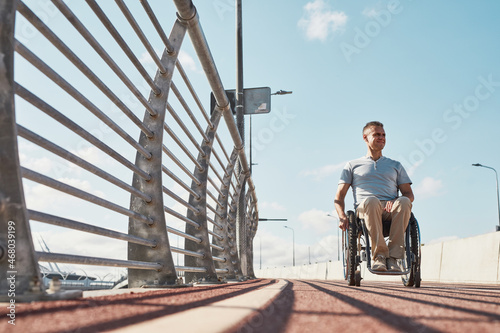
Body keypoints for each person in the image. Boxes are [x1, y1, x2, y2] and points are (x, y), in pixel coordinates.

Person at [334, 121, 414, 272]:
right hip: (366, 208)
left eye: (383, 135)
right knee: (371, 201)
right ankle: (379, 257)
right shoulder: (352, 165)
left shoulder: (395, 165)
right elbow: (339, 197)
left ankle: (395, 258)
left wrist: (395, 200)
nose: (381, 137)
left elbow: (409, 194)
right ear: (365, 138)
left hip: (391, 208)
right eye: (377, 134)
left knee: (404, 201)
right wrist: (342, 216)